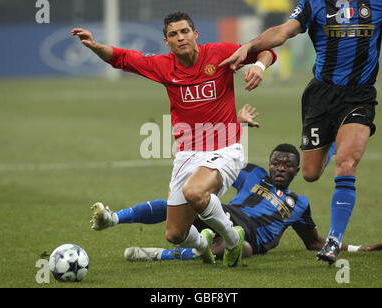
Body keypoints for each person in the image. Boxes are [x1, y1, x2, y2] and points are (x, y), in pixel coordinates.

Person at [219, 0, 382, 264]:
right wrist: (250, 48)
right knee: (311, 173)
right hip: (320, 98)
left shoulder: (381, 2)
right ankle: (339, 139)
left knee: (346, 164)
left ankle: (333, 240)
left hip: (359, 97)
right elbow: (283, 31)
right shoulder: (314, 4)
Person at [72, 11, 277, 267]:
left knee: (194, 191)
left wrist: (259, 66)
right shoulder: (164, 66)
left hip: (226, 147)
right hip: (187, 154)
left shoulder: (220, 53)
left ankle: (233, 239)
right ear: (166, 41)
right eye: (173, 34)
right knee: (175, 234)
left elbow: (265, 50)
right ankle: (203, 245)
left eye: (184, 32)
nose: (180, 37)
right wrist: (94, 46)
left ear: (195, 34)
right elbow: (122, 58)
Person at [89, 143, 382, 262]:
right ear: (270, 165)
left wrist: (357, 247)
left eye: (287, 165)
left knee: (235, 248)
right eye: (276, 163)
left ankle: (162, 255)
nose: (280, 168)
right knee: (178, 203)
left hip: (254, 238)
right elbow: (219, 162)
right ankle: (116, 218)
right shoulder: (253, 174)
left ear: (297, 171)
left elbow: (314, 243)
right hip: (225, 215)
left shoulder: (300, 203)